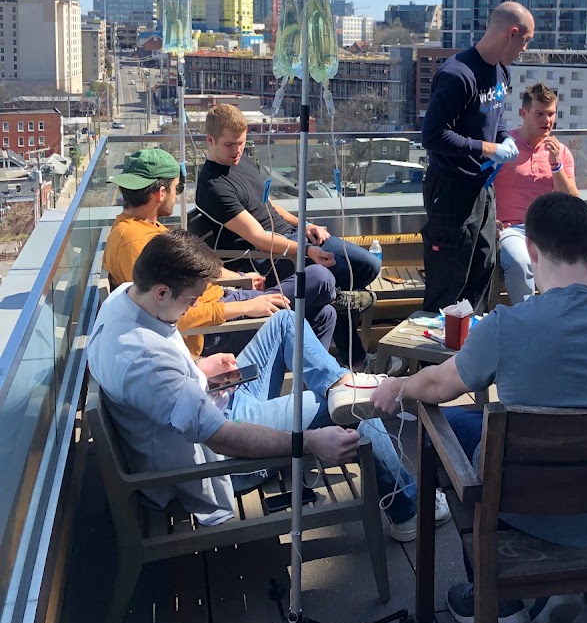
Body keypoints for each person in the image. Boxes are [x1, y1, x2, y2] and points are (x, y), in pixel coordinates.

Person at [371, 192, 587, 623]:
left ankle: (499, 599)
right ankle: (549, 592)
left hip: (521, 504)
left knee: (442, 429)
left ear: (532, 251)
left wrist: (398, 386)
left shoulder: (505, 326)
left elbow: (437, 386)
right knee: (483, 426)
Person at [88, 230, 451, 540]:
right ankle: (407, 510)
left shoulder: (126, 299)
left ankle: (339, 381)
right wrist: (309, 442)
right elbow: (221, 438)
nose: (193, 306)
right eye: (191, 300)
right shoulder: (145, 361)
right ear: (162, 292)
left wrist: (199, 370)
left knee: (285, 322)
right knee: (352, 407)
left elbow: (167, 390)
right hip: (223, 457)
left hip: (214, 401)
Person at [192, 104, 381, 369]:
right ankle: (352, 349)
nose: (237, 150)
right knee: (343, 277)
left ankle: (339, 311)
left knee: (367, 266)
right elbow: (258, 236)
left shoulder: (242, 161)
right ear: (210, 140)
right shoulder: (213, 186)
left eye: (242, 143)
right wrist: (306, 250)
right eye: (229, 145)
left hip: (290, 236)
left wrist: (305, 225)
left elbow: (266, 204)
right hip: (266, 256)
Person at [104, 148, 337, 357]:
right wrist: (246, 307)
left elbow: (191, 272)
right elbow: (172, 316)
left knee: (324, 314)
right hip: (212, 330)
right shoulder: (137, 243)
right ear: (161, 193)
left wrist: (239, 279)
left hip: (221, 301)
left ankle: (309, 383)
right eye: (177, 187)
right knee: (320, 278)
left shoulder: (139, 228)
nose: (177, 194)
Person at [420, 2, 534, 313]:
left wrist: (504, 138)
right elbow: (433, 136)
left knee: (481, 270)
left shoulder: (500, 71)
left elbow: (495, 117)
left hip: (482, 188)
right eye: (525, 41)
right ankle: (438, 345)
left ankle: (472, 341)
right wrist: (489, 148)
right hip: (451, 190)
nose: (525, 49)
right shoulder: (458, 74)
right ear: (512, 33)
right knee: (449, 282)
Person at [494, 82, 587, 303]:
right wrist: (490, 222)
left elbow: (573, 201)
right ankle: (529, 317)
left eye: (551, 114)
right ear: (523, 114)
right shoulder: (505, 147)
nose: (546, 120)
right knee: (520, 261)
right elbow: (483, 188)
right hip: (511, 228)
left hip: (551, 229)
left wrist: (556, 165)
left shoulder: (560, 151)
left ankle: (573, 313)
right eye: (540, 114)